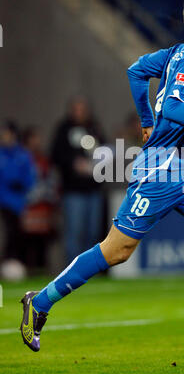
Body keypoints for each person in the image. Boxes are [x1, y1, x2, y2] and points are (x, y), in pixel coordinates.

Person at [20, 0, 184, 356]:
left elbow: (136, 71)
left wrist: (147, 120)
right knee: (116, 251)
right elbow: (178, 109)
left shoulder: (176, 53)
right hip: (162, 169)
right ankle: (39, 302)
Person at [50, 96, 106, 264]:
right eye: (77, 109)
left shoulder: (94, 127)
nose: (80, 113)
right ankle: (71, 270)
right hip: (73, 191)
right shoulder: (63, 129)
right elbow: (55, 155)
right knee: (74, 233)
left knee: (93, 233)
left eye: (83, 109)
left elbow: (105, 150)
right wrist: (73, 164)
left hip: (93, 189)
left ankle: (89, 269)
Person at [20, 126, 59, 273]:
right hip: (26, 207)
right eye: (34, 139)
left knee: (43, 242)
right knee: (26, 242)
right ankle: (26, 270)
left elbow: (52, 181)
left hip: (44, 207)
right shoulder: (22, 159)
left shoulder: (44, 160)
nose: (37, 142)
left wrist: (50, 197)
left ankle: (42, 270)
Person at [0, 121, 36, 264]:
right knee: (9, 233)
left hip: (21, 202)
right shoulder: (1, 155)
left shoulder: (23, 155)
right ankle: (8, 263)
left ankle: (18, 263)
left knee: (19, 235)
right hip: (4, 200)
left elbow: (30, 178)